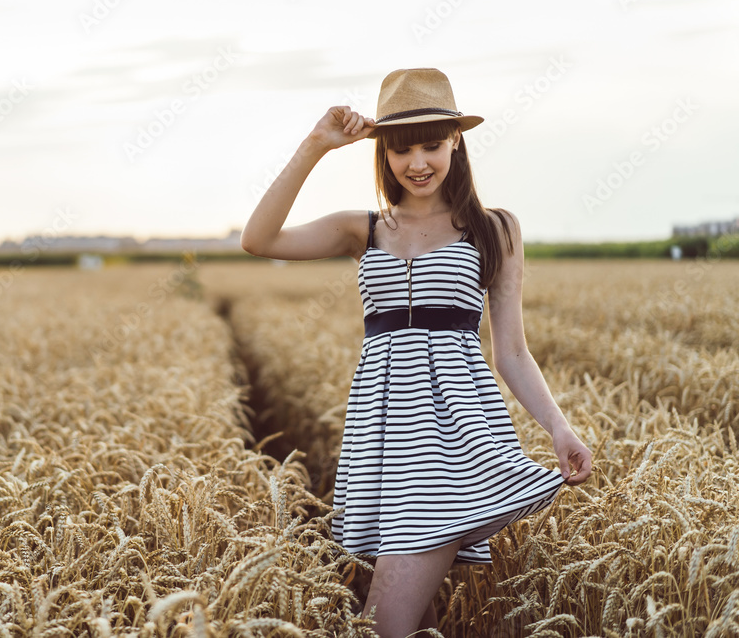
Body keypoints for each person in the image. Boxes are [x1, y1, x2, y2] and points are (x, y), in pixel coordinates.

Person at [240, 68, 592, 637]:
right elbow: (258, 239)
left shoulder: (494, 229)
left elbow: (513, 354)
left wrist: (559, 429)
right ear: (383, 152)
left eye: (432, 144)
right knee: (413, 626)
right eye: (403, 149)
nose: (419, 162)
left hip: (453, 449)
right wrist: (315, 146)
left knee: (383, 625)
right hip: (383, 446)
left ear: (457, 140)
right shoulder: (366, 228)